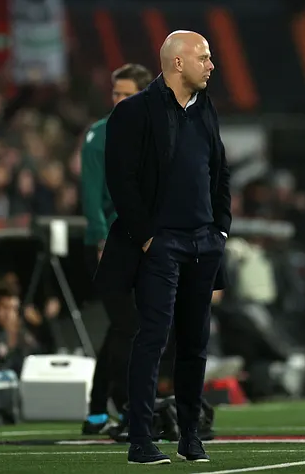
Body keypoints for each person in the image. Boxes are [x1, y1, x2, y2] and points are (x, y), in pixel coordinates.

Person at [95, 30, 231, 464]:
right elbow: (120, 180)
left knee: (194, 343)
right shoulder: (134, 111)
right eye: (203, 57)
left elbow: (219, 171)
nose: (211, 65)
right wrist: (149, 236)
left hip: (203, 242)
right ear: (177, 62)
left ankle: (190, 435)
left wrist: (221, 230)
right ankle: (140, 438)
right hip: (161, 244)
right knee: (152, 338)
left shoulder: (205, 107)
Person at [80, 63, 153, 435]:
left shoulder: (151, 132)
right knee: (131, 325)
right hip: (110, 242)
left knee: (122, 328)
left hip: (140, 241)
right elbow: (91, 194)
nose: (119, 100)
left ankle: (97, 411)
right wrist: (99, 240)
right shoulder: (100, 135)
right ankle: (126, 408)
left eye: (127, 94)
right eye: (116, 93)